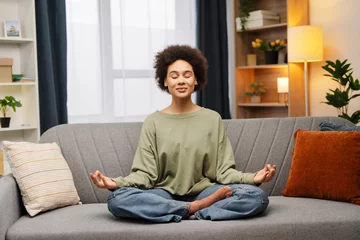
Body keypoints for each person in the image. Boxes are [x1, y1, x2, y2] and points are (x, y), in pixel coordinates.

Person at [90, 45, 276, 222]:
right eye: (174, 75)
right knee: (117, 199)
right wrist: (115, 183)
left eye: (187, 75)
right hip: (162, 193)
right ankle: (192, 209)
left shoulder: (212, 119)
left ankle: (179, 210)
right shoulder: (153, 122)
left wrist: (253, 178)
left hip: (206, 191)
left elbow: (223, 171)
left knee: (256, 197)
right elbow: (145, 175)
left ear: (196, 80)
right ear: (165, 80)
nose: (181, 80)